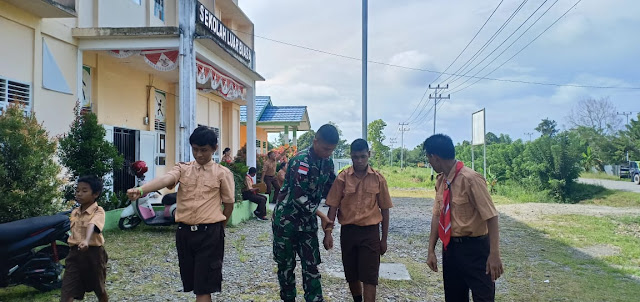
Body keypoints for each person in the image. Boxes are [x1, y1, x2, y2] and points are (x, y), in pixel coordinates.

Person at [126, 126, 234, 302]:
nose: (199, 155)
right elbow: (166, 179)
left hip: (210, 233)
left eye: (204, 150)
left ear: (214, 148)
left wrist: (220, 228)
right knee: (193, 282)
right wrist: (141, 190)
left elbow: (229, 205)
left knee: (203, 287)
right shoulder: (183, 169)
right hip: (184, 233)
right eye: (195, 149)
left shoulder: (222, 173)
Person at [424, 134, 503, 302]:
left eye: (428, 158)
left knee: (483, 297)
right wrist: (431, 250)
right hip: (451, 249)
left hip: (475, 250)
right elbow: (437, 216)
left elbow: (491, 217)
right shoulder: (441, 181)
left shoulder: (471, 179)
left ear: (435, 157)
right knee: (454, 297)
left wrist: (494, 254)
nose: (429, 162)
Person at [272, 124, 339, 302]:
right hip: (286, 222)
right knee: (286, 267)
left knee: (312, 266)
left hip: (307, 223)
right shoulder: (300, 161)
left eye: (331, 150)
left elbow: (333, 188)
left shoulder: (327, 162)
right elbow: (298, 197)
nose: (328, 153)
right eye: (325, 149)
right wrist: (323, 216)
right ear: (315, 141)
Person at [324, 139, 393, 302]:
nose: (359, 161)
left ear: (368, 155)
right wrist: (328, 233)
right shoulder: (342, 178)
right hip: (348, 232)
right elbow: (333, 206)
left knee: (370, 275)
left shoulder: (378, 179)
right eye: (355, 157)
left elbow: (385, 209)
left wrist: (384, 239)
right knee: (351, 273)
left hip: (370, 233)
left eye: (363, 156)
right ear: (351, 156)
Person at [61, 175, 108, 302]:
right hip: (74, 254)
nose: (79, 194)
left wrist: (86, 240)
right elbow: (73, 229)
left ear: (95, 194)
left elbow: (92, 224)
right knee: (67, 290)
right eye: (77, 190)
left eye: (84, 191)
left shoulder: (99, 211)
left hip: (93, 254)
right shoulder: (74, 212)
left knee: (99, 288)